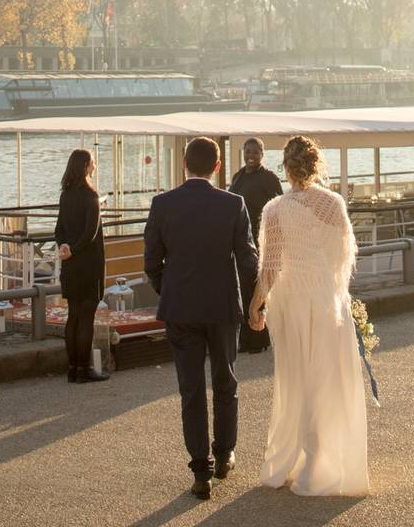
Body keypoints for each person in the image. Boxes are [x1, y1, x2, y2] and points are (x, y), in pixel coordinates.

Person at [249, 135, 370, 496]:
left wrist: (257, 305)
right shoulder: (334, 204)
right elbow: (342, 260)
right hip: (327, 301)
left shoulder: (274, 209)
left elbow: (269, 269)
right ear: (317, 165)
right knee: (326, 379)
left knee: (296, 379)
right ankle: (321, 461)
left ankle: (301, 457)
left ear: (285, 168)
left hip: (292, 306)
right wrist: (328, 289)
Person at [144, 137, 258, 501]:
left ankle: (200, 471)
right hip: (223, 307)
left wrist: (171, 289)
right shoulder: (233, 204)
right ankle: (225, 455)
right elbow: (247, 259)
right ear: (219, 166)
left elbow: (151, 263)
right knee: (226, 381)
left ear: (184, 164)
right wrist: (255, 301)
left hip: (181, 308)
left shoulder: (162, 205)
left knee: (191, 390)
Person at [54, 149, 109, 384]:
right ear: (86, 166)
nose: (95, 167)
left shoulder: (65, 195)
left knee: (73, 316)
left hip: (70, 264)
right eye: (93, 164)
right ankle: (84, 369)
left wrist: (65, 247)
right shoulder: (91, 196)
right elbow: (91, 233)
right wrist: (75, 248)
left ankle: (72, 368)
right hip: (89, 264)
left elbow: (59, 230)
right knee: (87, 317)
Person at [229, 137, 282, 354]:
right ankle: (245, 338)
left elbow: (280, 205)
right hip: (240, 240)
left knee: (256, 287)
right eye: (247, 151)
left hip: (260, 240)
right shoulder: (238, 176)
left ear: (262, 154)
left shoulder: (268, 177)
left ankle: (259, 339)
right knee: (242, 286)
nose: (250, 155)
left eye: (255, 152)